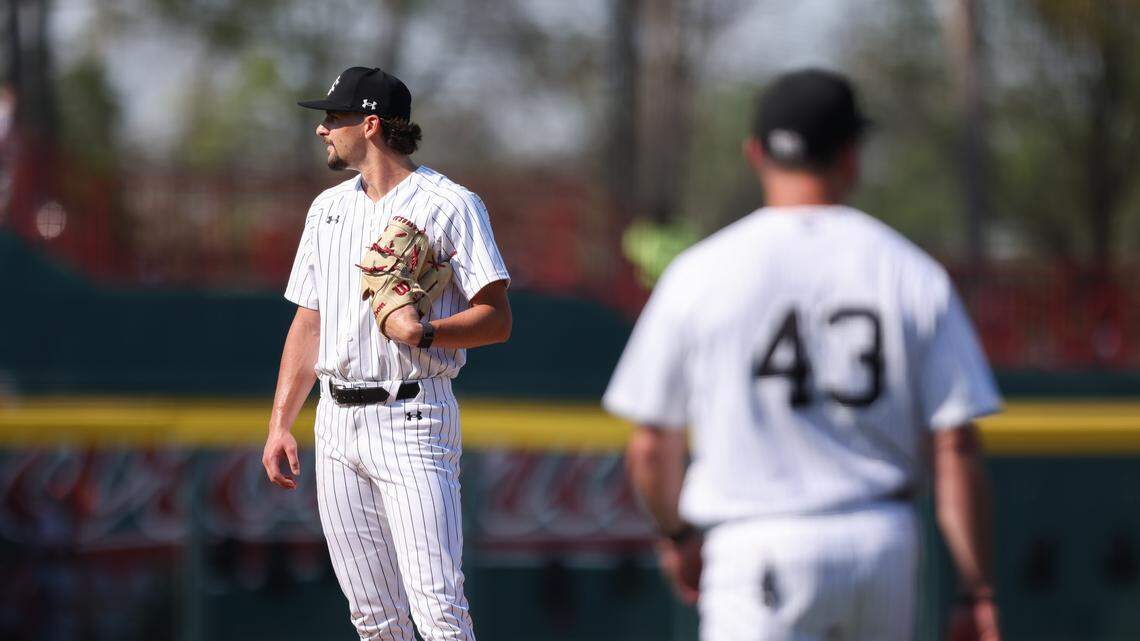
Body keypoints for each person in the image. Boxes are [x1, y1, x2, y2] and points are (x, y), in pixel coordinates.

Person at [603, 69, 1002, 641]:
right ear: (851, 155)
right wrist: (976, 590)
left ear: (755, 153)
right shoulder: (909, 269)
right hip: (880, 539)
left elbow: (649, 447)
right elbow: (956, 444)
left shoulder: (700, 272)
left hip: (755, 541)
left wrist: (676, 538)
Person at [261, 66, 511, 641]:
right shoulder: (326, 209)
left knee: (439, 609)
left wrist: (423, 332)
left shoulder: (451, 204)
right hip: (336, 421)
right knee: (373, 619)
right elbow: (308, 321)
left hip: (412, 417)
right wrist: (280, 424)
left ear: (370, 125)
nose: (323, 131)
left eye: (333, 119)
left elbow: (497, 320)